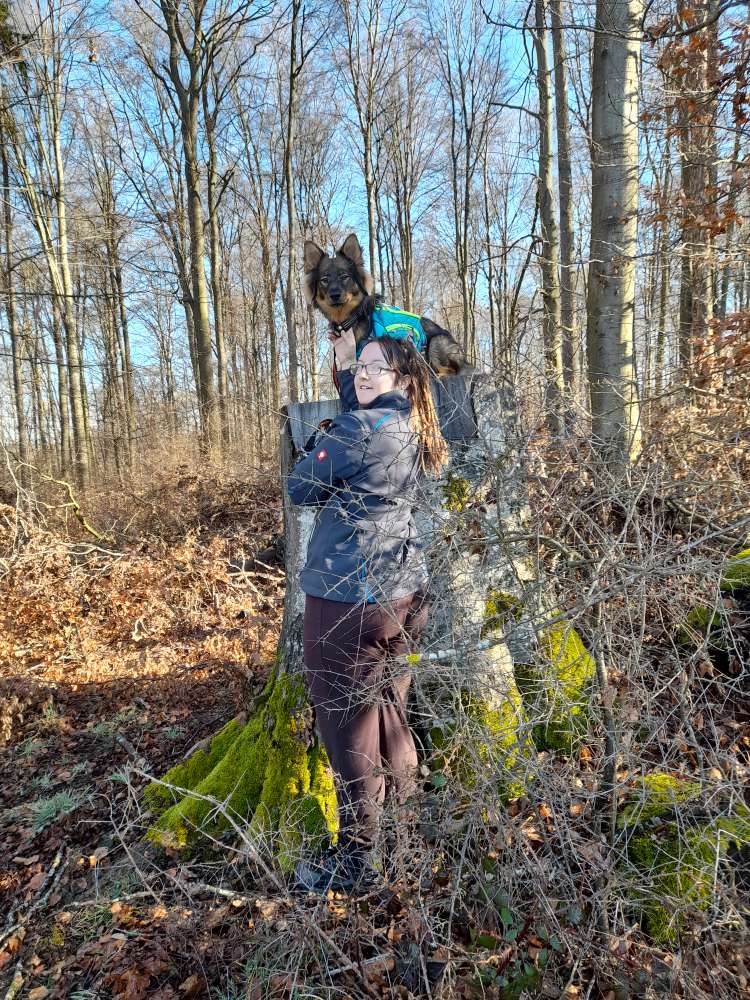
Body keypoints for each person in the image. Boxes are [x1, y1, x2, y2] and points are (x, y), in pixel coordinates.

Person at [286, 328, 448, 894]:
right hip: (405, 596)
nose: (362, 374)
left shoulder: (355, 429)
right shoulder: (413, 427)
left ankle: (359, 860)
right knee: (389, 716)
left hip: (349, 599)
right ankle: (403, 842)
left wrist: (317, 442)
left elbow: (301, 487)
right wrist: (342, 368)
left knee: (345, 724)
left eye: (374, 368)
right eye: (360, 366)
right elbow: (365, 416)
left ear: (402, 379)